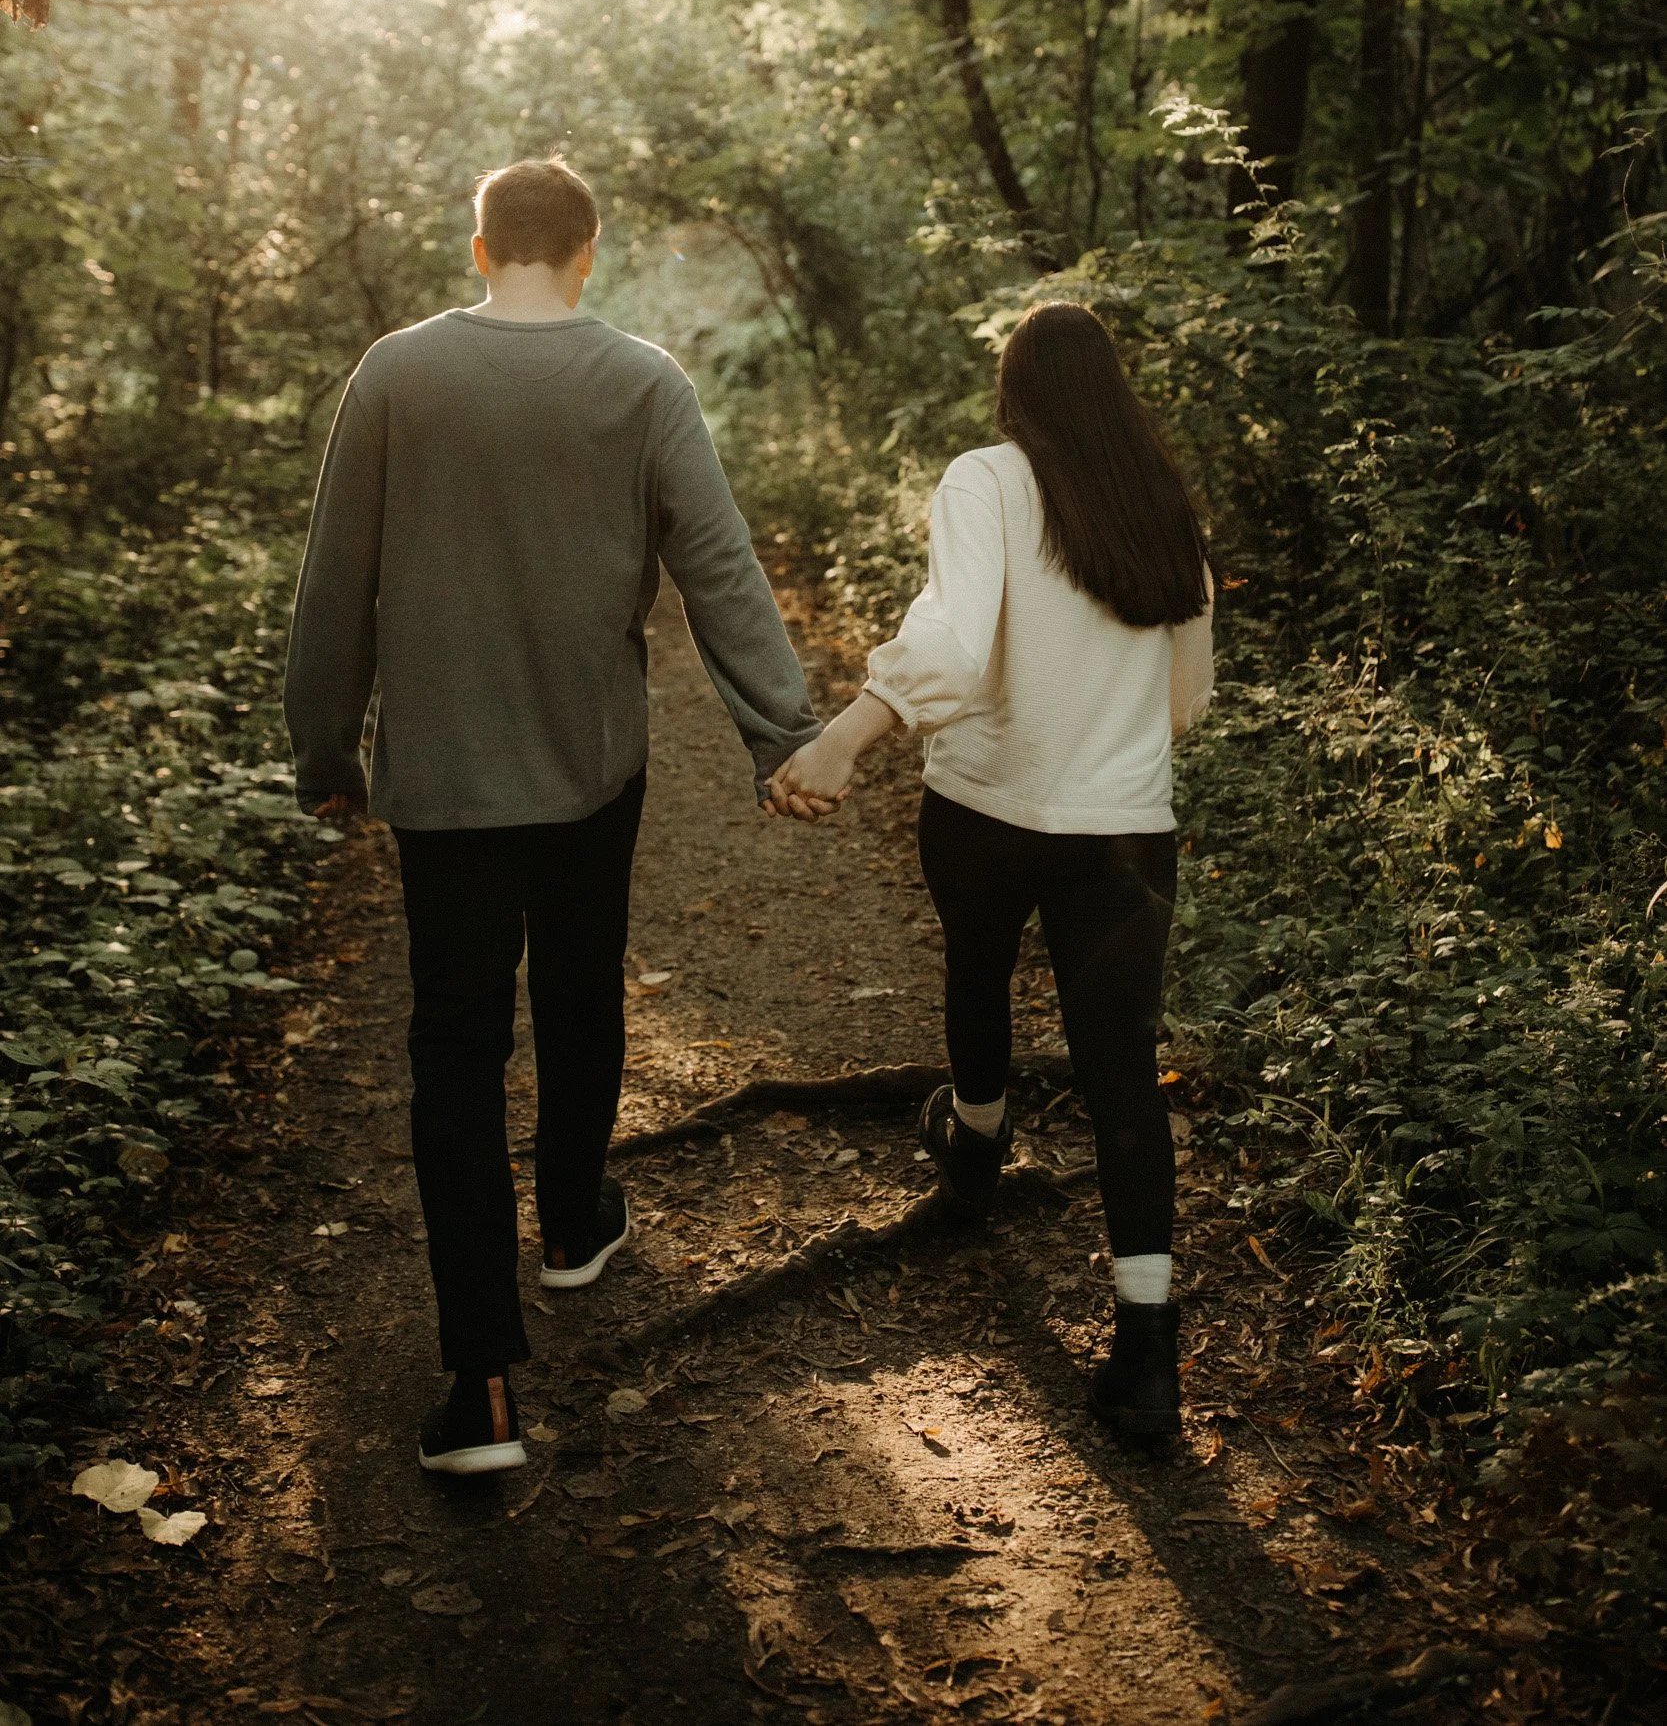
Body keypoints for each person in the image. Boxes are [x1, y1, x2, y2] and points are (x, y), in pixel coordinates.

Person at [284, 156, 822, 1477]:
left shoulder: (395, 376)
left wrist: (324, 742)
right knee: (580, 990)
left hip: (448, 783)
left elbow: (332, 576)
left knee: (456, 1050)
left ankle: (479, 1389)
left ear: (481, 250)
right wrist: (783, 736)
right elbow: (718, 572)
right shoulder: (642, 382)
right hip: (592, 767)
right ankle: (577, 1226)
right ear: (586, 253)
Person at [766, 300, 1213, 1444]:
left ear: (1012, 392)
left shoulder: (985, 478)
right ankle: (1146, 1356)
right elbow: (1184, 701)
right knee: (1122, 1074)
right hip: (1122, 829)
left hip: (985, 809)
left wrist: (842, 738)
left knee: (974, 969)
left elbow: (955, 645)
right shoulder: (1161, 503)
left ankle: (972, 1149)